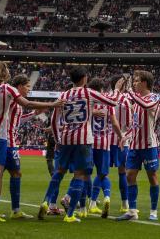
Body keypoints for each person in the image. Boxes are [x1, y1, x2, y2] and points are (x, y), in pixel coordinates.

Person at [0, 62, 62, 223]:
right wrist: (51, 104)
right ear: (4, 73)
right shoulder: (9, 91)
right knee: (0, 173)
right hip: (2, 139)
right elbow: (25, 105)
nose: (29, 89)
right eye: (27, 86)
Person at [38, 66, 118, 223]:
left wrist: (58, 139)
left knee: (59, 172)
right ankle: (70, 215)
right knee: (80, 174)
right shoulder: (89, 93)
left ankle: (46, 201)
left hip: (66, 138)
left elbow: (54, 121)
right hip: (83, 139)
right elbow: (112, 102)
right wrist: (116, 89)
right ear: (84, 79)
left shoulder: (64, 94)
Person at [0, 74, 37, 220]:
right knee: (14, 173)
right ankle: (15, 210)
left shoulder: (14, 101)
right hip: (8, 142)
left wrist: (33, 114)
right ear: (19, 86)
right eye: (27, 86)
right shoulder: (13, 99)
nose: (29, 90)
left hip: (5, 140)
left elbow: (17, 121)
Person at [116, 70, 160, 222]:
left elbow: (146, 105)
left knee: (152, 177)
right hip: (135, 146)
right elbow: (135, 125)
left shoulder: (154, 98)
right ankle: (132, 211)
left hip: (149, 145)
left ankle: (153, 211)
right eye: (133, 81)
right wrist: (125, 136)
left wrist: (130, 93)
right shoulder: (136, 102)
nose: (134, 84)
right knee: (129, 175)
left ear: (144, 83)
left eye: (136, 81)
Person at [87, 77, 123, 218]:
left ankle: (88, 204)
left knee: (85, 174)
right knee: (103, 174)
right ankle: (106, 197)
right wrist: (120, 136)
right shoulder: (107, 103)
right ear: (101, 90)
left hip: (89, 142)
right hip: (104, 143)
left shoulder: (87, 101)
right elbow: (114, 122)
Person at [108, 75, 133, 214]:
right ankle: (125, 204)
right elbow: (130, 125)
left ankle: (88, 202)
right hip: (121, 141)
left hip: (105, 141)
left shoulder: (105, 96)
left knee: (99, 173)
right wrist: (125, 137)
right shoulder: (126, 101)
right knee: (122, 173)